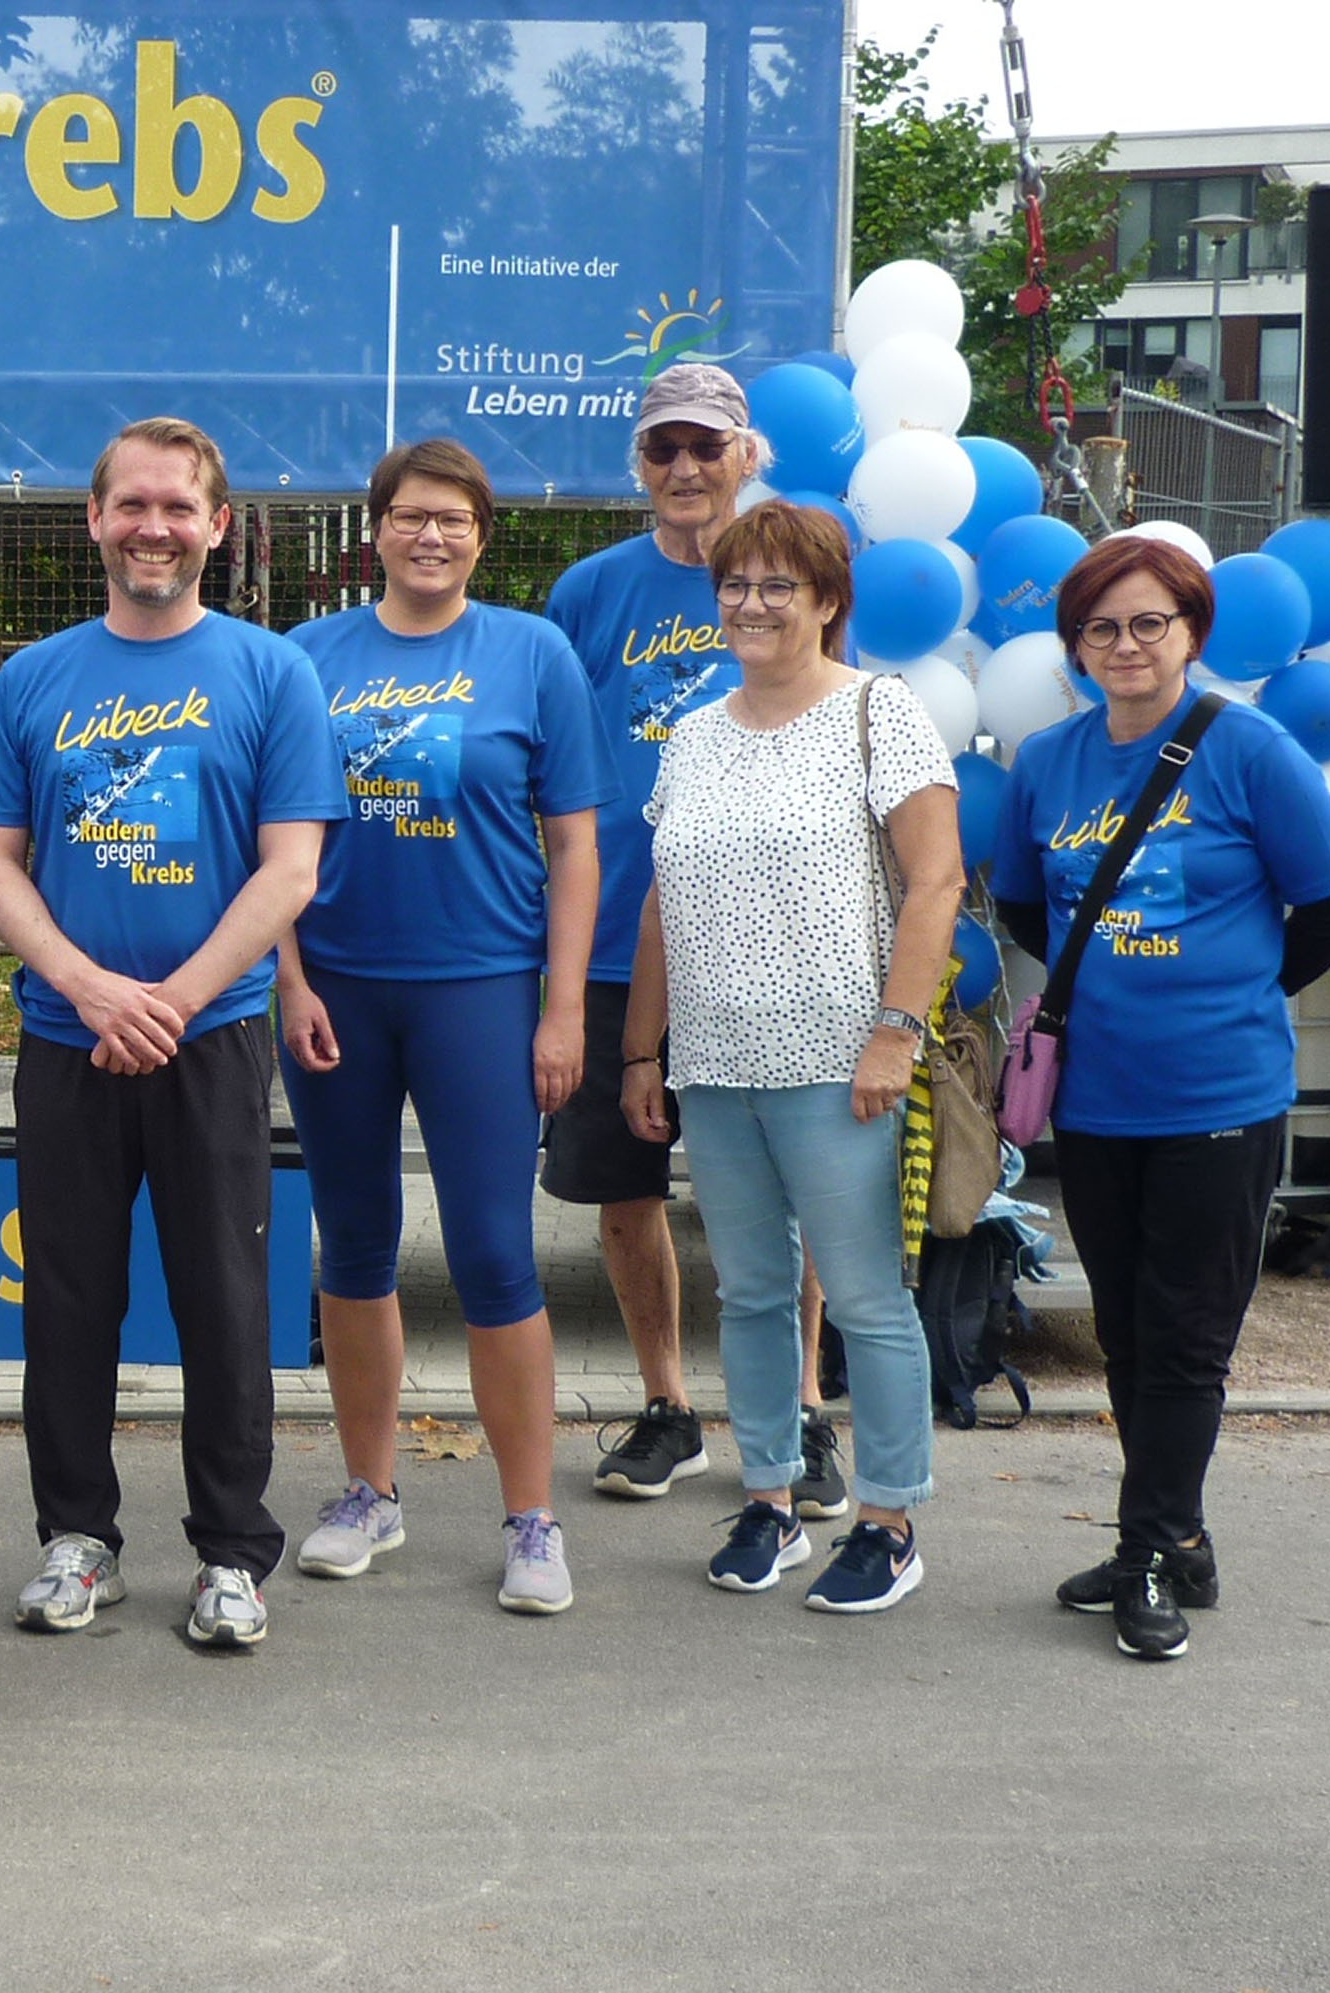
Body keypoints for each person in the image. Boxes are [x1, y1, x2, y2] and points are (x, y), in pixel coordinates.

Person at [0, 416, 341, 1652]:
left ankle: (231, 1552)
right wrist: (90, 990)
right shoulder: (33, 679)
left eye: (178, 507)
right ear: (95, 519)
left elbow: (290, 869)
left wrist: (167, 1000)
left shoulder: (271, 675)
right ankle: (78, 1541)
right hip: (67, 1038)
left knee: (224, 1295)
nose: (154, 527)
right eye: (132, 504)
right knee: (69, 1296)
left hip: (211, 1036)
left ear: (217, 525)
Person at [993, 534, 1330, 1662]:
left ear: (1191, 632)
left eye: (1148, 622)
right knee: (1124, 1330)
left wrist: (1233, 990)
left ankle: (1146, 1549)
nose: (1126, 645)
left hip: (1221, 1095)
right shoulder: (1047, 762)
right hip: (1096, 1098)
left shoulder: (1250, 750)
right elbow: (1024, 905)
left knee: (1188, 1338)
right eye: (1101, 627)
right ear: (1074, 647)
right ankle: (1178, 1536)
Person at [277, 439, 611, 1612]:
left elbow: (575, 844)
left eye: (454, 519)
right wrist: (289, 977)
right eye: (411, 515)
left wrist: (562, 1008)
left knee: (493, 1252)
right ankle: (369, 1492)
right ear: (375, 529)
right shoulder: (306, 657)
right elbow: (276, 839)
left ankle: (532, 1519)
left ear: (481, 535)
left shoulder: (533, 653)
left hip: (482, 987)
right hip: (338, 991)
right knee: (353, 1244)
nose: (431, 535)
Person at [618, 499, 961, 1614]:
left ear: (826, 602)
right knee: (752, 1294)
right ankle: (768, 1499)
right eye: (735, 584)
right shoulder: (695, 733)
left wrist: (895, 1033)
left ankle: (889, 1521)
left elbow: (937, 881)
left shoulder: (878, 712)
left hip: (838, 1061)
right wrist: (639, 1052)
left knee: (864, 1297)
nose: (752, 604)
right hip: (715, 1064)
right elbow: (662, 902)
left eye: (778, 586)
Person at [542, 367, 850, 1519]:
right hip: (613, 941)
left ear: (747, 455)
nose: (684, 467)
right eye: (662, 447)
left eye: (706, 447)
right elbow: (547, 759)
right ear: (638, 463)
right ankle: (667, 1404)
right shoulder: (588, 591)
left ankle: (802, 1411)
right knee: (624, 1187)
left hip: (768, 947)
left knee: (792, 1190)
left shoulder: (794, 572)